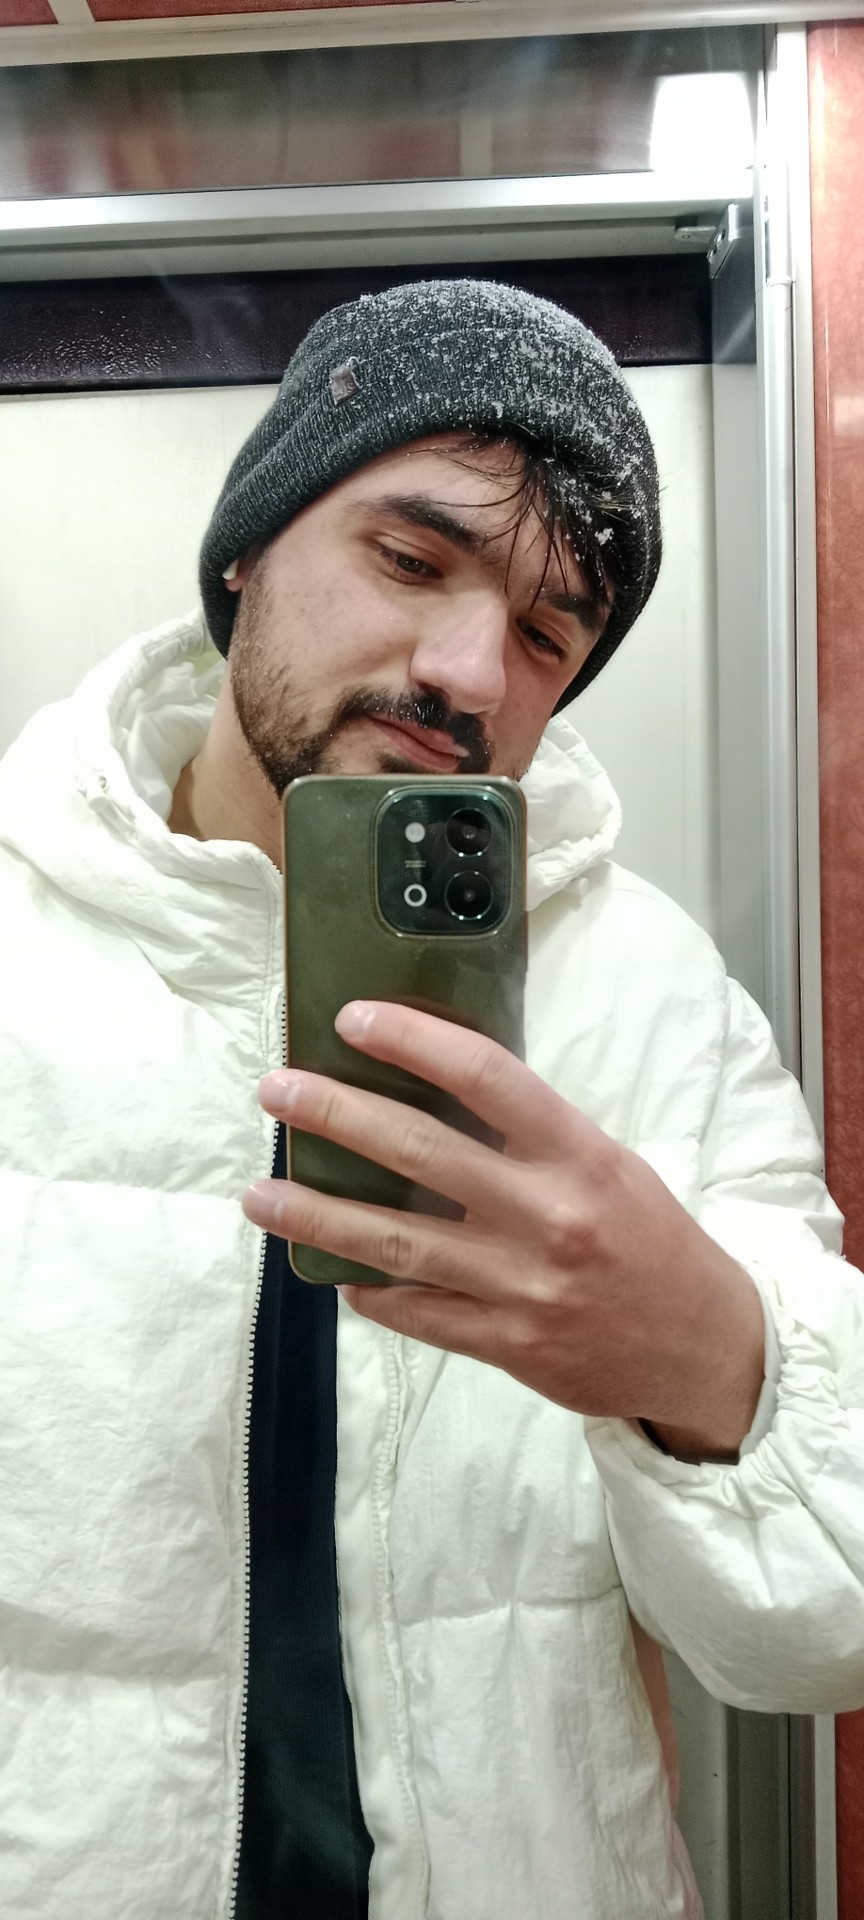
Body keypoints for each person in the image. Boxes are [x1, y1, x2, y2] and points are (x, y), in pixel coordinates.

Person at [1, 278, 863, 1920]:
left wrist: (708, 1358)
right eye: (409, 560)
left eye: (547, 635)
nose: (469, 671)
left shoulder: (653, 1000)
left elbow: (827, 1638)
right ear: (245, 552)